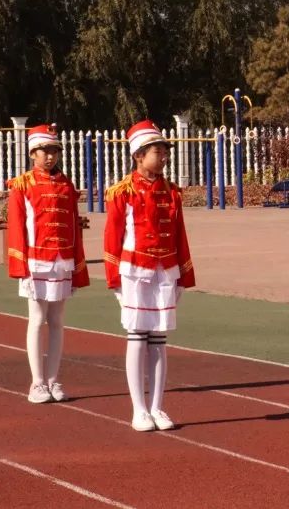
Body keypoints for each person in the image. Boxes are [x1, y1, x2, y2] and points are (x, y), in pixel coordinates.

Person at [103, 120, 196, 432]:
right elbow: (112, 239)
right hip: (134, 273)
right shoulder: (121, 193)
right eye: (158, 151)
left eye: (165, 151)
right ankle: (138, 409)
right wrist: (114, 281)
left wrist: (184, 276)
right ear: (139, 156)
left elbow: (180, 236)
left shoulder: (172, 193)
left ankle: (157, 406)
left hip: (165, 272)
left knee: (159, 340)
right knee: (136, 338)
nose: (164, 156)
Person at [6, 124, 89, 404]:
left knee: (57, 321)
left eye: (54, 151)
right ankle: (37, 382)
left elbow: (74, 227)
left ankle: (53, 379)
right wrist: (20, 265)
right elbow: (17, 228)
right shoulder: (22, 185)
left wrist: (77, 261)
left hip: (61, 261)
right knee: (37, 319)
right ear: (32, 153)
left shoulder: (66, 184)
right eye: (44, 151)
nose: (50, 156)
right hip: (36, 261)